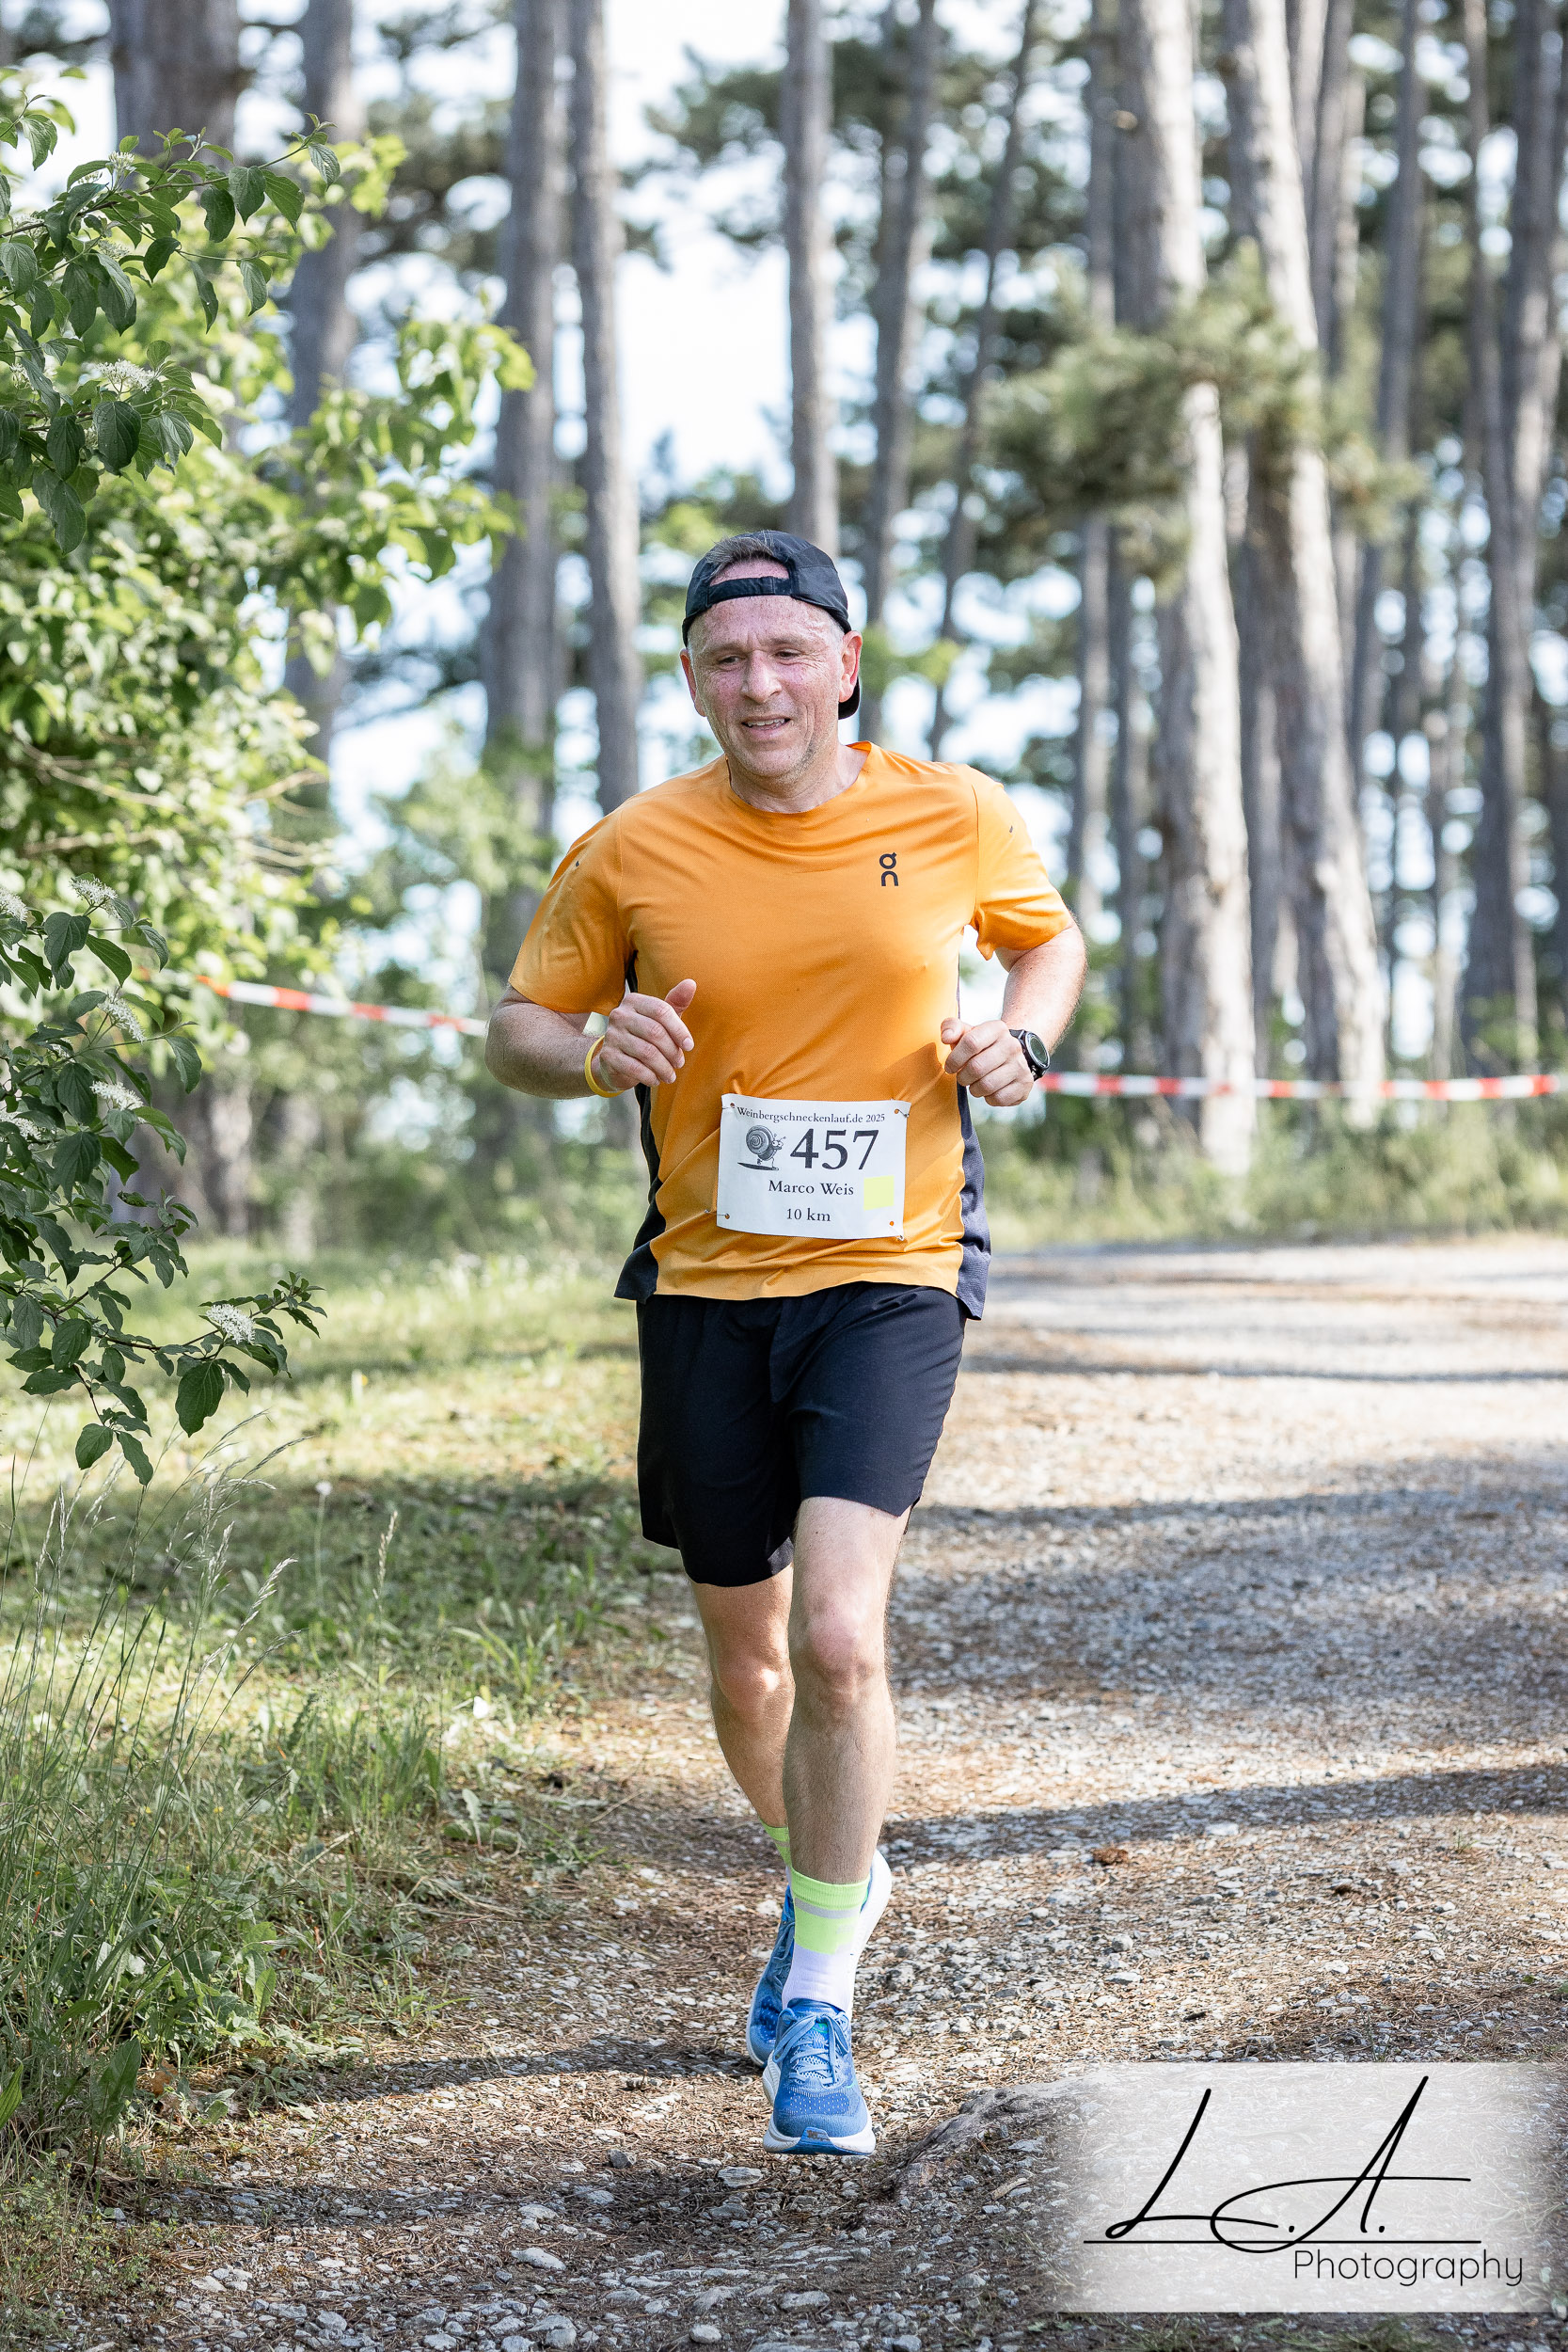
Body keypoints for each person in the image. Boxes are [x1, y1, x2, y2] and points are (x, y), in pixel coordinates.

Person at [485, 532, 1085, 2156]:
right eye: (726, 660)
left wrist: (1021, 1039)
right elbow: (520, 1027)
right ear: (695, 682)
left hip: (893, 1271)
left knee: (835, 1639)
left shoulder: (953, 813)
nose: (760, 685)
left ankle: (818, 1998)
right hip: (703, 1285)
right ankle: (837, 1868)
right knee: (749, 1667)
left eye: (787, 652)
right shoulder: (632, 845)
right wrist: (592, 1048)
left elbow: (1046, 940)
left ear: (846, 663)